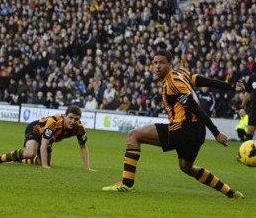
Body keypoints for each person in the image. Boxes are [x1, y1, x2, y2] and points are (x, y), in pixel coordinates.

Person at [102, 50, 244, 199]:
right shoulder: (181, 74)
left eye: (162, 62)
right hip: (197, 132)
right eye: (155, 62)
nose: (157, 66)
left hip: (184, 128)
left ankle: (127, 184)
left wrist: (216, 133)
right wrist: (231, 86)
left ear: (170, 64)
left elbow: (195, 108)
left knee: (134, 135)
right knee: (186, 168)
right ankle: (230, 193)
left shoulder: (173, 82)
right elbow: (201, 80)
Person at [0, 105, 94, 170]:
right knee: (31, 153)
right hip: (35, 129)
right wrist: (45, 167)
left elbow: (83, 147)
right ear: (65, 116)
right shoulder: (54, 122)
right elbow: (44, 144)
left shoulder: (80, 128)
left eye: (76, 119)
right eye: (70, 118)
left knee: (44, 162)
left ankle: (20, 159)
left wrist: (87, 168)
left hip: (48, 138)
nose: (73, 121)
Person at [238, 71, 256, 140]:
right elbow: (248, 93)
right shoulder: (253, 77)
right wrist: (242, 107)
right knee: (250, 129)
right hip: (254, 108)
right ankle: (246, 150)